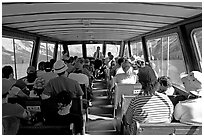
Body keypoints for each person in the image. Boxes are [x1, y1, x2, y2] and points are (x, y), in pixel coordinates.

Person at [125, 66, 174, 134]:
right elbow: (169, 119)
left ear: (140, 83)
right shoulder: (166, 100)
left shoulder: (136, 101)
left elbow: (128, 120)